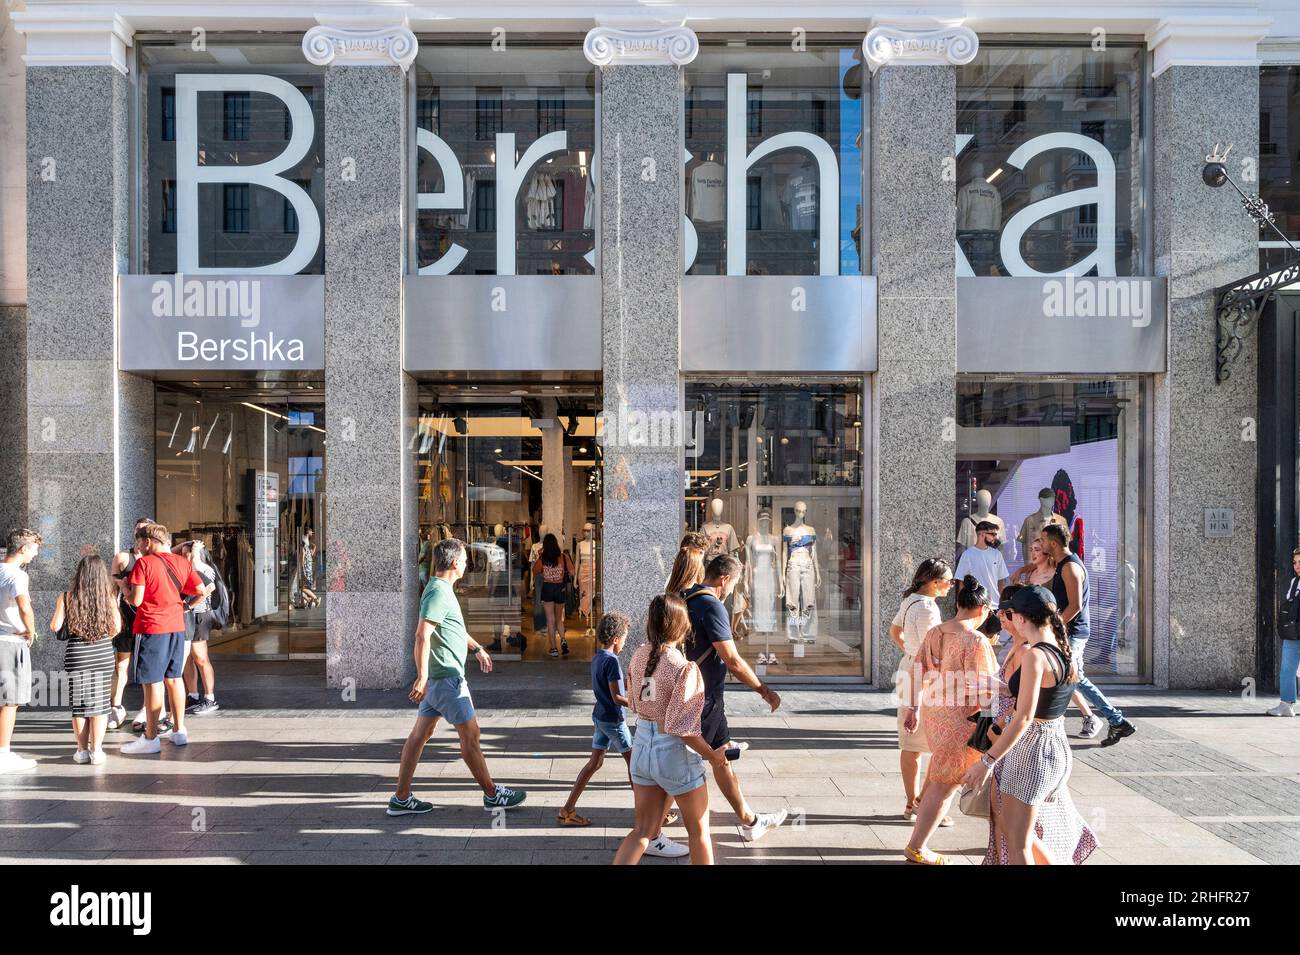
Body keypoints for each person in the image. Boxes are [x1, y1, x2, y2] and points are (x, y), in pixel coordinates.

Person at [388, 538, 527, 815]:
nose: (467, 563)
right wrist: (422, 676)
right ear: (454, 563)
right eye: (464, 559)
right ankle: (492, 794)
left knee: (420, 735)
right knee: (471, 737)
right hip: (446, 680)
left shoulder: (440, 589)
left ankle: (401, 798)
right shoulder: (439, 592)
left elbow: (452, 628)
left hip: (440, 680)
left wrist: (476, 648)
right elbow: (421, 635)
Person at [966, 585, 1097, 865]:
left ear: (1023, 618)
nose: (1009, 619)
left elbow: (1025, 717)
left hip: (1032, 752)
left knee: (1018, 845)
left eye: (1010, 613)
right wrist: (1002, 692)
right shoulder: (1062, 650)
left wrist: (986, 761)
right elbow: (1040, 701)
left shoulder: (1035, 655)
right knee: (1023, 838)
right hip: (1055, 745)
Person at [613, 594, 728, 865]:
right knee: (699, 832)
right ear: (682, 624)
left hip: (641, 746)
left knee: (643, 831)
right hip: (673, 753)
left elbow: (632, 700)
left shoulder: (639, 656)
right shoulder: (683, 667)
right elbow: (683, 728)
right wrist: (714, 757)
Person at [682, 554, 788, 842]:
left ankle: (750, 820)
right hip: (703, 697)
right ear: (725, 579)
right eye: (735, 584)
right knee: (687, 762)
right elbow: (733, 660)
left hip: (700, 694)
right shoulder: (711, 605)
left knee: (721, 755)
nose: (733, 590)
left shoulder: (686, 595)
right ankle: (650, 829)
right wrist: (764, 691)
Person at [902, 575, 997, 865]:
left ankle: (919, 826)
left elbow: (916, 670)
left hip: (934, 711)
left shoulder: (936, 632)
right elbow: (982, 686)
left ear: (957, 604)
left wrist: (913, 707)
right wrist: (994, 719)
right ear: (983, 610)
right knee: (947, 784)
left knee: (940, 772)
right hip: (962, 717)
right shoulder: (976, 639)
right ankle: (917, 846)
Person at [1041, 524, 1136, 746]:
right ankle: (1115, 720)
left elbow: (1074, 606)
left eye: (1044, 540)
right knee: (1072, 678)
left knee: (1074, 678)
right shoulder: (1062, 564)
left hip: (1073, 632)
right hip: (1069, 631)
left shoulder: (1070, 568)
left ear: (1054, 543)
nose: (1041, 543)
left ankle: (1114, 719)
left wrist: (1055, 626)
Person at [121, 523, 210, 755]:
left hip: (151, 627)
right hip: (176, 627)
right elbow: (202, 590)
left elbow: (136, 601)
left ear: (148, 541)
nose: (137, 547)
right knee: (174, 679)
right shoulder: (181, 562)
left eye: (139, 541)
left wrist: (124, 588)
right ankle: (179, 730)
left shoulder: (144, 563)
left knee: (151, 683)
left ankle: (150, 737)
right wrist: (186, 607)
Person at [890, 558, 953, 820]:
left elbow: (894, 631)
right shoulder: (928, 608)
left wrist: (909, 652)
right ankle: (924, 804)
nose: (951, 586)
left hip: (909, 670)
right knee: (937, 744)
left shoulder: (910, 599)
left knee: (911, 744)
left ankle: (911, 803)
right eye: (948, 581)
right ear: (935, 582)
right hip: (925, 677)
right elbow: (933, 651)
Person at [559, 612, 633, 827]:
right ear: (616, 638)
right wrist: (639, 704)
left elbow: (609, 690)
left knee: (595, 763)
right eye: (625, 638)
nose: (625, 642)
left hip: (600, 717)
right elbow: (617, 697)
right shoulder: (612, 661)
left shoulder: (598, 657)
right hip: (614, 721)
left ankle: (568, 809)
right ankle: (653, 812)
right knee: (635, 766)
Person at [50, 554, 121, 765]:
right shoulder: (108, 596)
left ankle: (81, 751)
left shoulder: (67, 597)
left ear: (80, 574)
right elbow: (116, 628)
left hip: (77, 656)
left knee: (79, 707)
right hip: (101, 655)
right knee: (99, 705)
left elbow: (55, 626)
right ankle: (96, 751)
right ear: (102, 575)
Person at [0, 528, 41, 773]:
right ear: (23, 548)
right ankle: (3, 753)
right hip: (10, 642)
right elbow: (24, 607)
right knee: (10, 701)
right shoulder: (17, 575)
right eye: (34, 549)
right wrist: (31, 630)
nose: (35, 555)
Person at [109, 517, 151, 731]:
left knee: (146, 667)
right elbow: (111, 591)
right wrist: (113, 615)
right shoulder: (123, 558)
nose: (141, 534)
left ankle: (147, 708)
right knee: (121, 664)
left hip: (149, 620)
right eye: (138, 530)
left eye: (145, 530)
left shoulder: (156, 558)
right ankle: (115, 707)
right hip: (126, 620)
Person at [177, 541, 220, 716]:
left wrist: (195, 553)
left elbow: (208, 587)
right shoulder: (184, 567)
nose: (186, 556)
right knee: (187, 658)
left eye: (189, 553)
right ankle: (193, 695)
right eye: (184, 553)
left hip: (200, 616)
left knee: (201, 658)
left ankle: (210, 698)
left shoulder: (204, 568)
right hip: (187, 617)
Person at [1268, 547, 1300, 716]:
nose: (1297, 566)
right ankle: (1286, 704)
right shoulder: (1294, 582)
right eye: (1295, 562)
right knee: (1287, 668)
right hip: (1293, 632)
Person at [531, 533, 573, 658]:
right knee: (559, 619)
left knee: (550, 620)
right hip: (560, 588)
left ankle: (554, 648)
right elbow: (572, 571)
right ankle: (563, 640)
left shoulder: (543, 558)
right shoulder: (563, 557)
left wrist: (541, 559)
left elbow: (535, 571)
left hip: (548, 588)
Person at [954, 520, 1010, 608]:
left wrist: (1002, 602)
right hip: (974, 606)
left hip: (995, 606)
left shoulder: (997, 554)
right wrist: (960, 603)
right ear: (982, 534)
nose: (995, 537)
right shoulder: (967, 554)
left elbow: (1001, 580)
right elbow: (961, 581)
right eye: (993, 534)